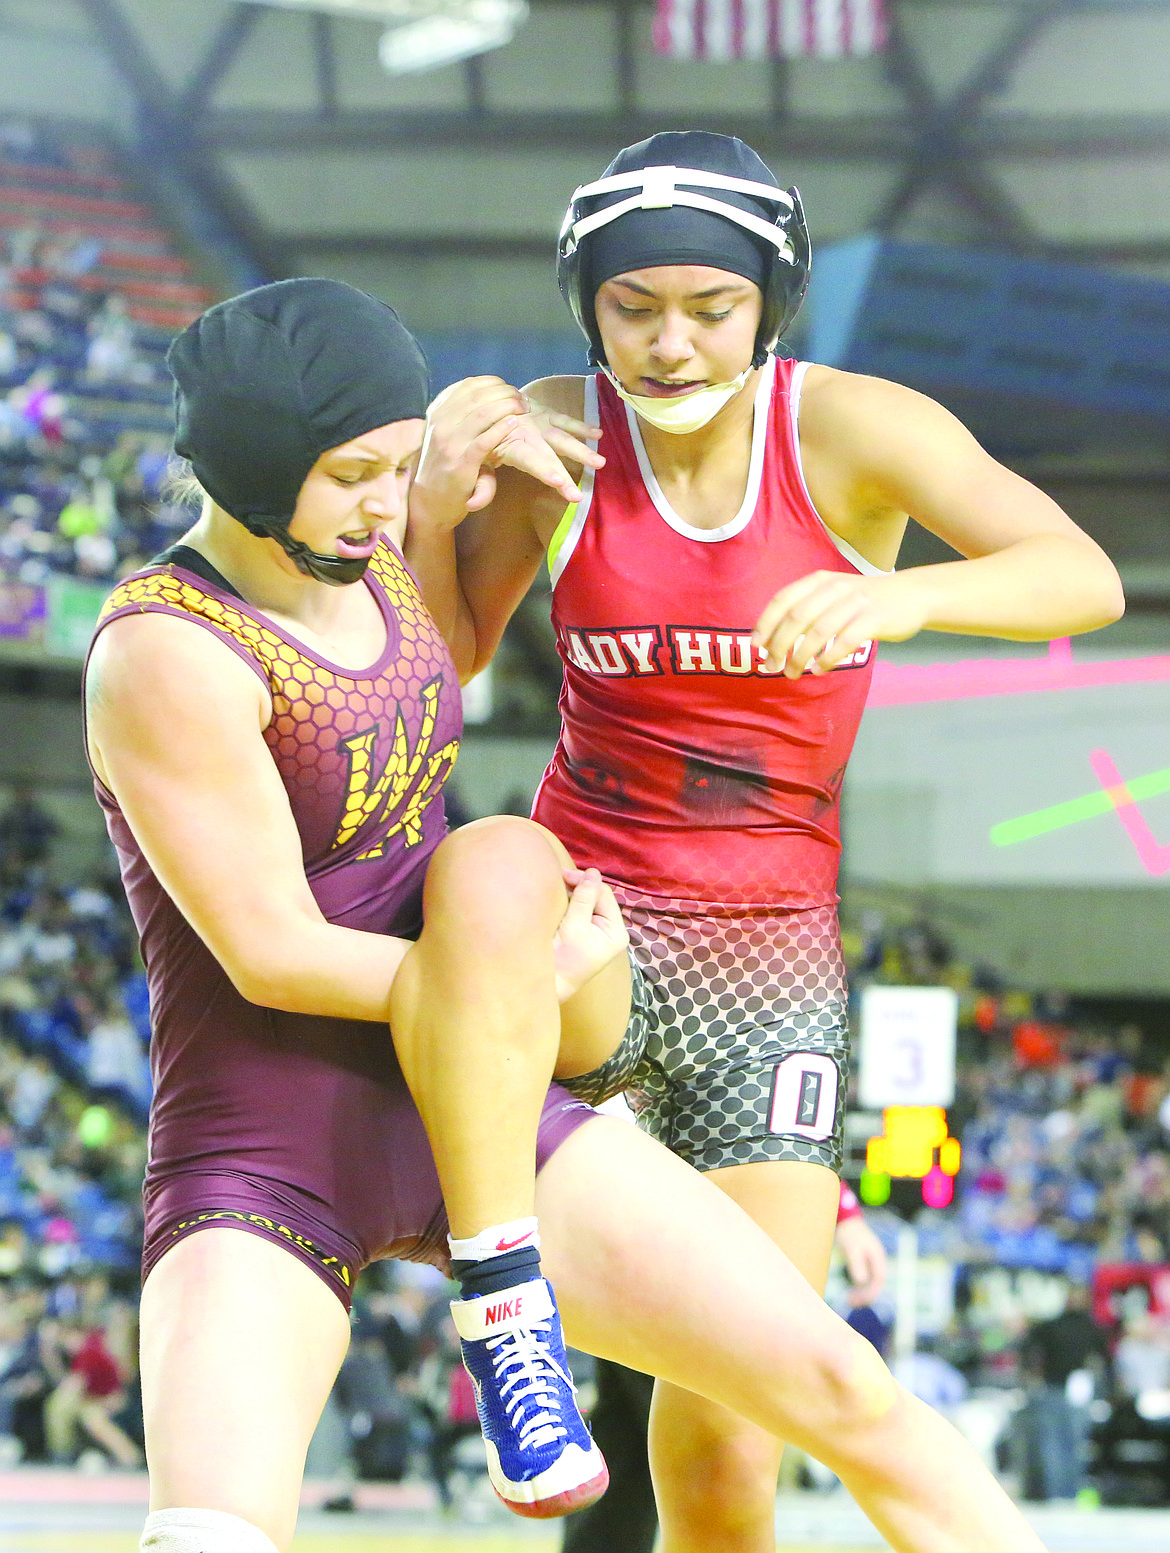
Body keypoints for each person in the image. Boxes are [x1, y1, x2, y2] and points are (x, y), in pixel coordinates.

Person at [405, 129, 1124, 1552]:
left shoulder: (851, 428)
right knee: (476, 885)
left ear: (768, 304)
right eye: (631, 308)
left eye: (709, 307)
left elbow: (1081, 575)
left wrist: (895, 601)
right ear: (584, 302)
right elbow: (432, 680)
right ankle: (494, 1306)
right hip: (590, 921)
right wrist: (438, 504)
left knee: (735, 1430)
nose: (668, 343)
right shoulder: (558, 433)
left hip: (769, 955)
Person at [562, 1181, 888, 1553]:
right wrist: (843, 1210)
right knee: (705, 1455)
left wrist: (843, 1209)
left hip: (658, 1231)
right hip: (659, 1235)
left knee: (635, 1448)